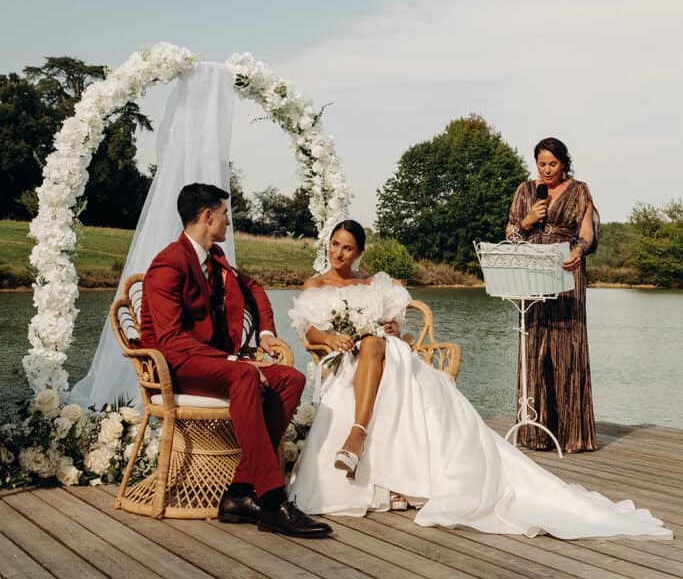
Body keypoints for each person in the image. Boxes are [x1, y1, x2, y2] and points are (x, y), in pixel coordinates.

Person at [287, 220, 671, 540]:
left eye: (348, 248)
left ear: (359, 252)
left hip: (385, 352)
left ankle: (361, 440)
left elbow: (396, 327)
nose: (339, 254)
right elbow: (308, 332)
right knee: (373, 351)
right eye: (335, 245)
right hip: (343, 354)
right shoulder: (315, 285)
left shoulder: (373, 283)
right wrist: (331, 338)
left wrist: (390, 327)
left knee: (383, 348)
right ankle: (376, 460)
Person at [140, 182, 331, 538]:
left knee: (291, 379)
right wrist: (234, 360)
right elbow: (171, 340)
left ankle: (239, 492)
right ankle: (273, 501)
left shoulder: (214, 258)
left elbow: (253, 289)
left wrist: (266, 334)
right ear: (208, 216)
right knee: (245, 376)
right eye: (225, 214)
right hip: (177, 365)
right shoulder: (168, 263)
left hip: (214, 363)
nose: (228, 222)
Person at [506, 137, 598, 453]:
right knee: (533, 347)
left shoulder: (579, 191)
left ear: (564, 163)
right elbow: (511, 233)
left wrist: (579, 250)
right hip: (532, 272)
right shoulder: (524, 191)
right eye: (541, 164)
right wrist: (528, 220)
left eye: (553, 164)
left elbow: (587, 231)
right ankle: (535, 433)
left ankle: (573, 434)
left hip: (567, 270)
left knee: (566, 349)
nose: (547, 170)